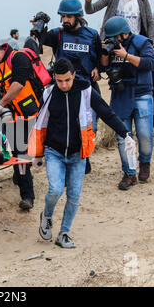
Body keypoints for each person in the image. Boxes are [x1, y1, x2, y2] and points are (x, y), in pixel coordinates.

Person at [28, 58, 131, 248]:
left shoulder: (85, 91)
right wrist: (35, 152)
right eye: (59, 81)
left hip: (78, 153)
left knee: (74, 196)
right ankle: (47, 214)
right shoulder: (49, 93)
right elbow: (38, 121)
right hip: (54, 151)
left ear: (73, 75)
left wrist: (124, 132)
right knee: (56, 189)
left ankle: (63, 233)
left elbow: (106, 112)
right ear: (54, 78)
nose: (64, 85)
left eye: (67, 80)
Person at [33, 0, 103, 174]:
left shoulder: (92, 35)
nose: (65, 20)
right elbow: (38, 42)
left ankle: (84, 159)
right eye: (62, 16)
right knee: (67, 126)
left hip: (86, 87)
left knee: (90, 127)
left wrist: (97, 68)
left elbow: (100, 58)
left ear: (78, 16)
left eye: (69, 16)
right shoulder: (58, 34)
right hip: (64, 88)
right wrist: (39, 26)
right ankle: (73, 161)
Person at [0, 38, 44, 210]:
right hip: (9, 117)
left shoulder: (18, 58)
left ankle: (27, 196)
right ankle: (20, 177)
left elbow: (18, 84)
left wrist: (0, 105)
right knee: (14, 152)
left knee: (21, 156)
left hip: (26, 115)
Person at [100, 16, 154, 190]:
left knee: (145, 135)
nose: (112, 40)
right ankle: (129, 173)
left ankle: (144, 163)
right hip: (120, 94)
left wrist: (126, 55)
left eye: (114, 37)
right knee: (123, 137)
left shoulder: (142, 42)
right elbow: (103, 67)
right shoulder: (110, 46)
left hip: (141, 93)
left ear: (123, 33)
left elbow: (150, 63)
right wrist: (105, 53)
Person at [84, 0, 154, 44]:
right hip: (113, 40)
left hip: (135, 42)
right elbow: (90, 10)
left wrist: (152, 44)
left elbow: (150, 22)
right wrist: (88, 0)